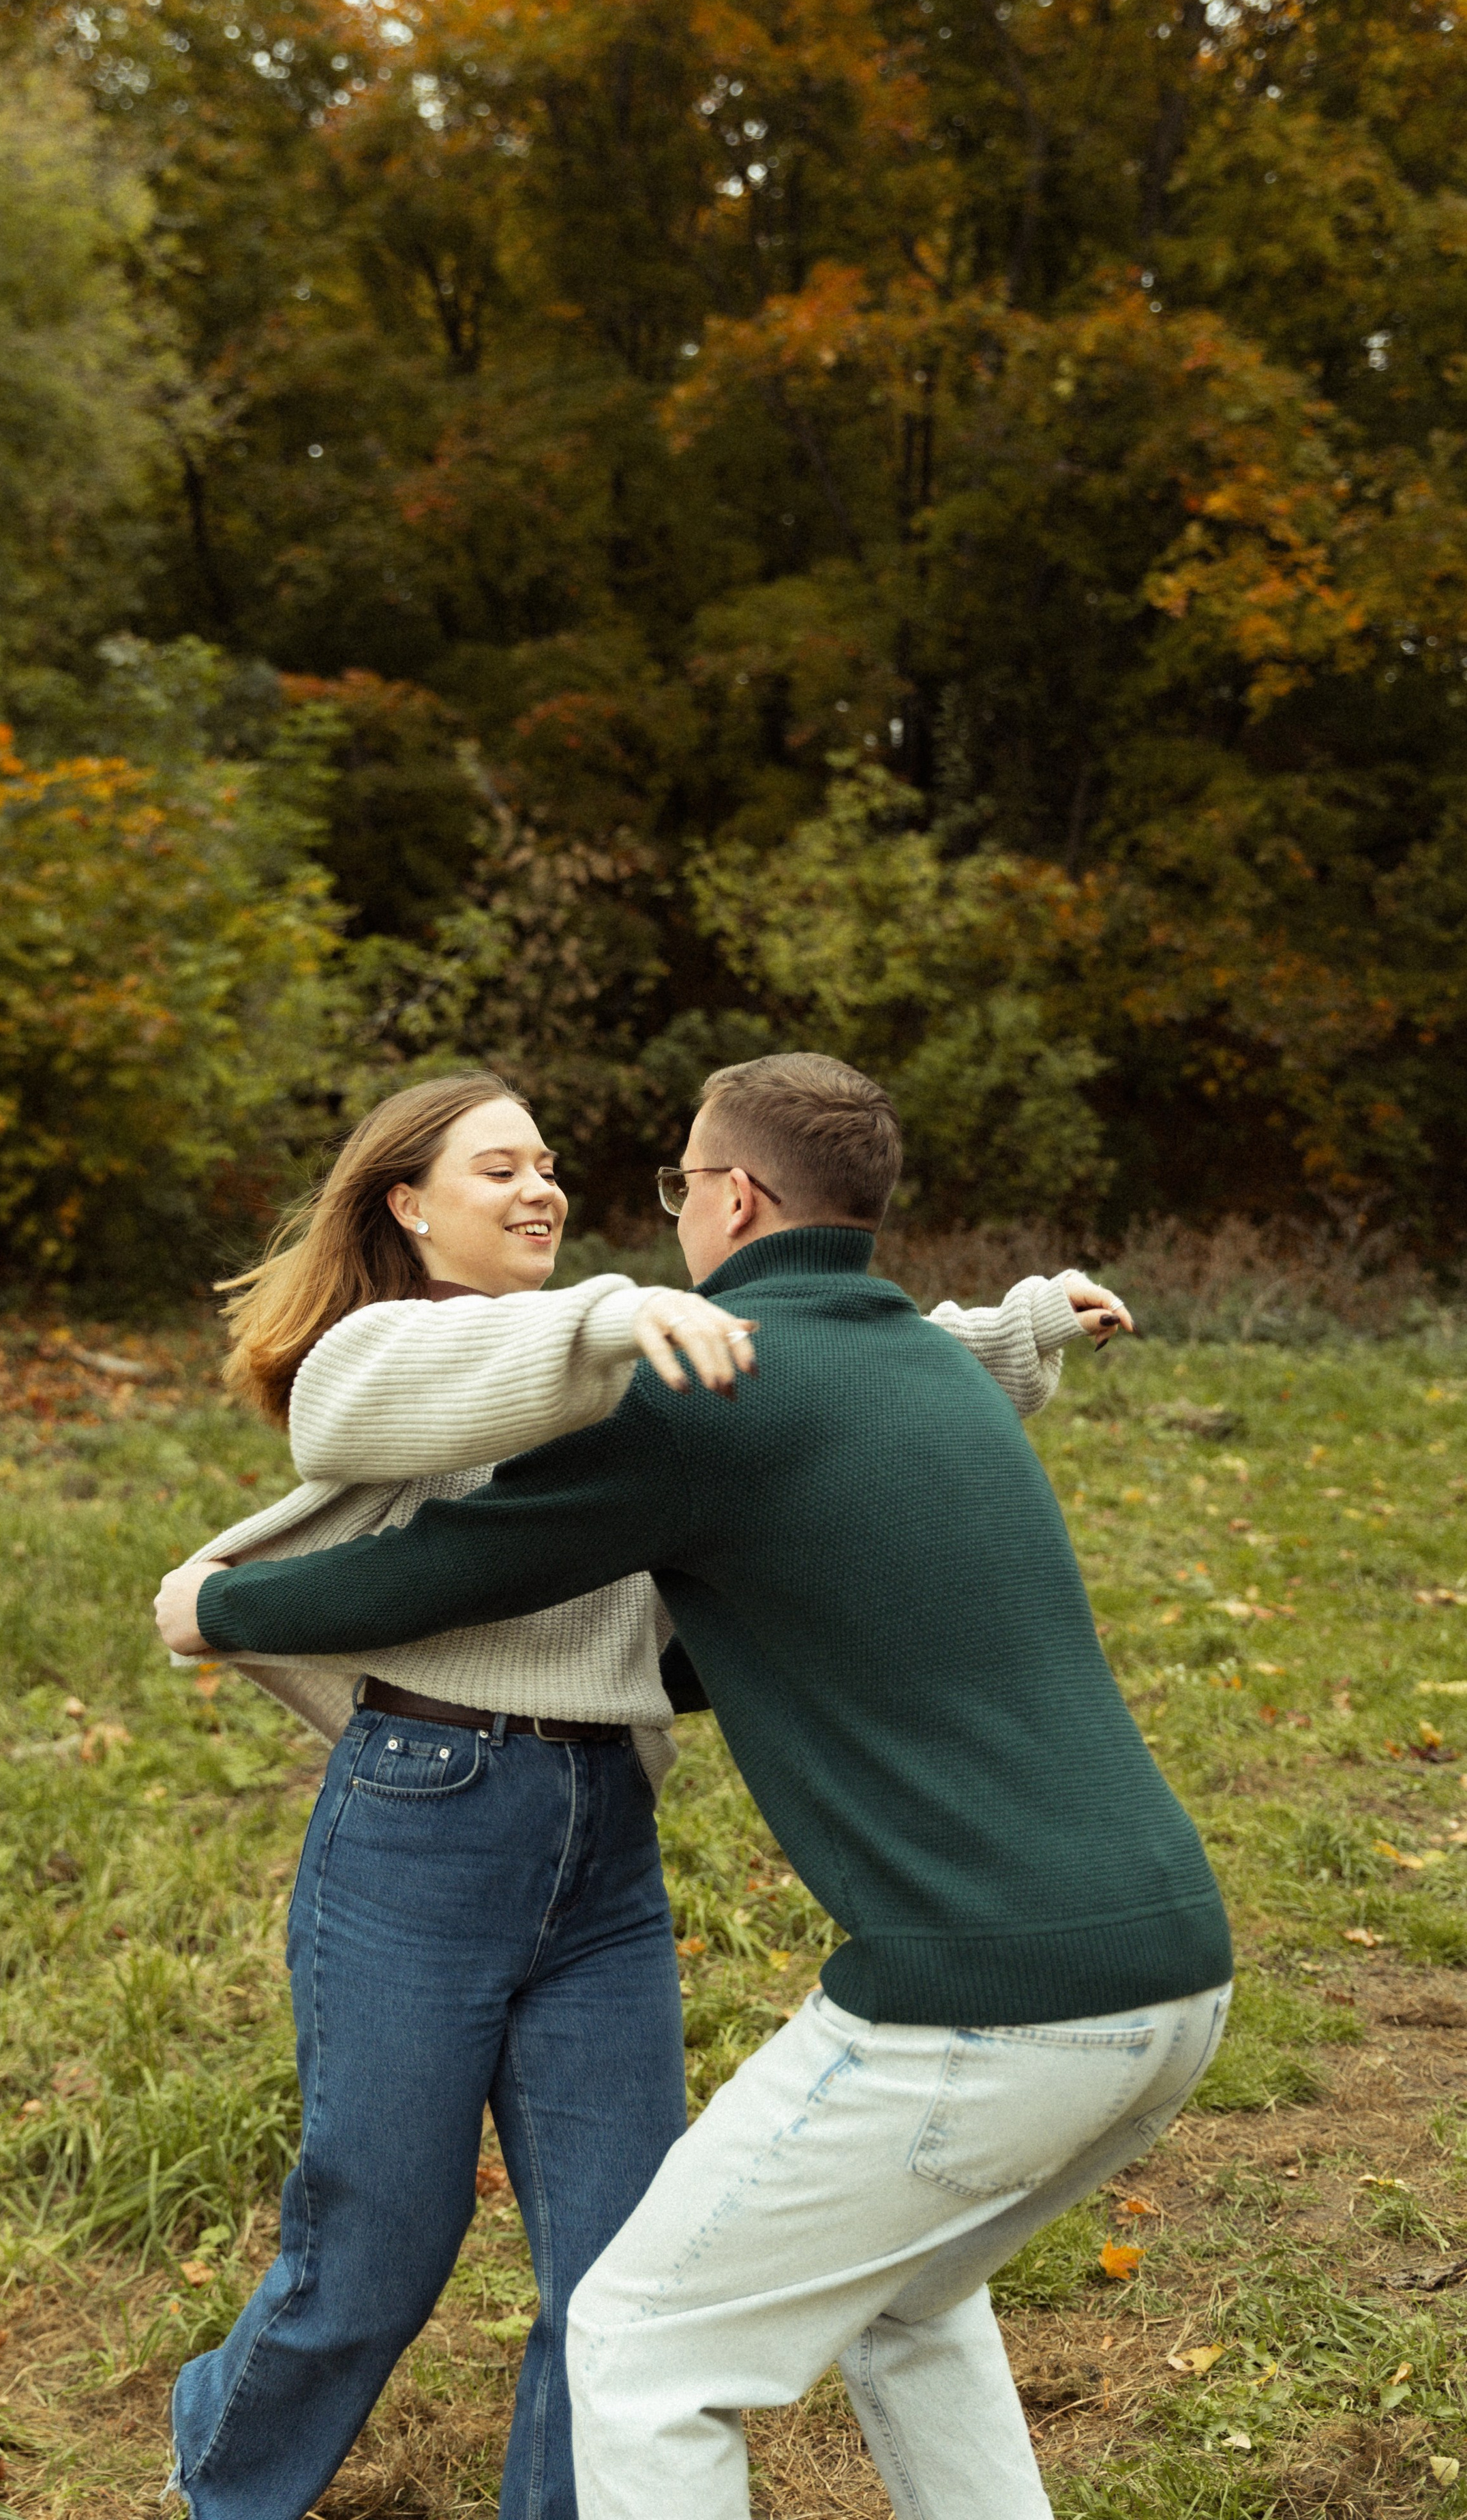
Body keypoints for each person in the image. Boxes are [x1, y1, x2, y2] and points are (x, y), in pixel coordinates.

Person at [157, 1052, 1230, 2520]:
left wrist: (1012, 1328)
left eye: (549, 1164)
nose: (540, 1187)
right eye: (495, 1168)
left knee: (617, 2277)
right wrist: (221, 1608)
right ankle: (225, 2482)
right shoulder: (451, 1345)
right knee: (378, 2243)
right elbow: (365, 1421)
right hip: (428, 1806)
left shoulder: (658, 1355)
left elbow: (838, 1369)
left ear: (729, 1199)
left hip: (601, 1822)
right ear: (405, 1205)